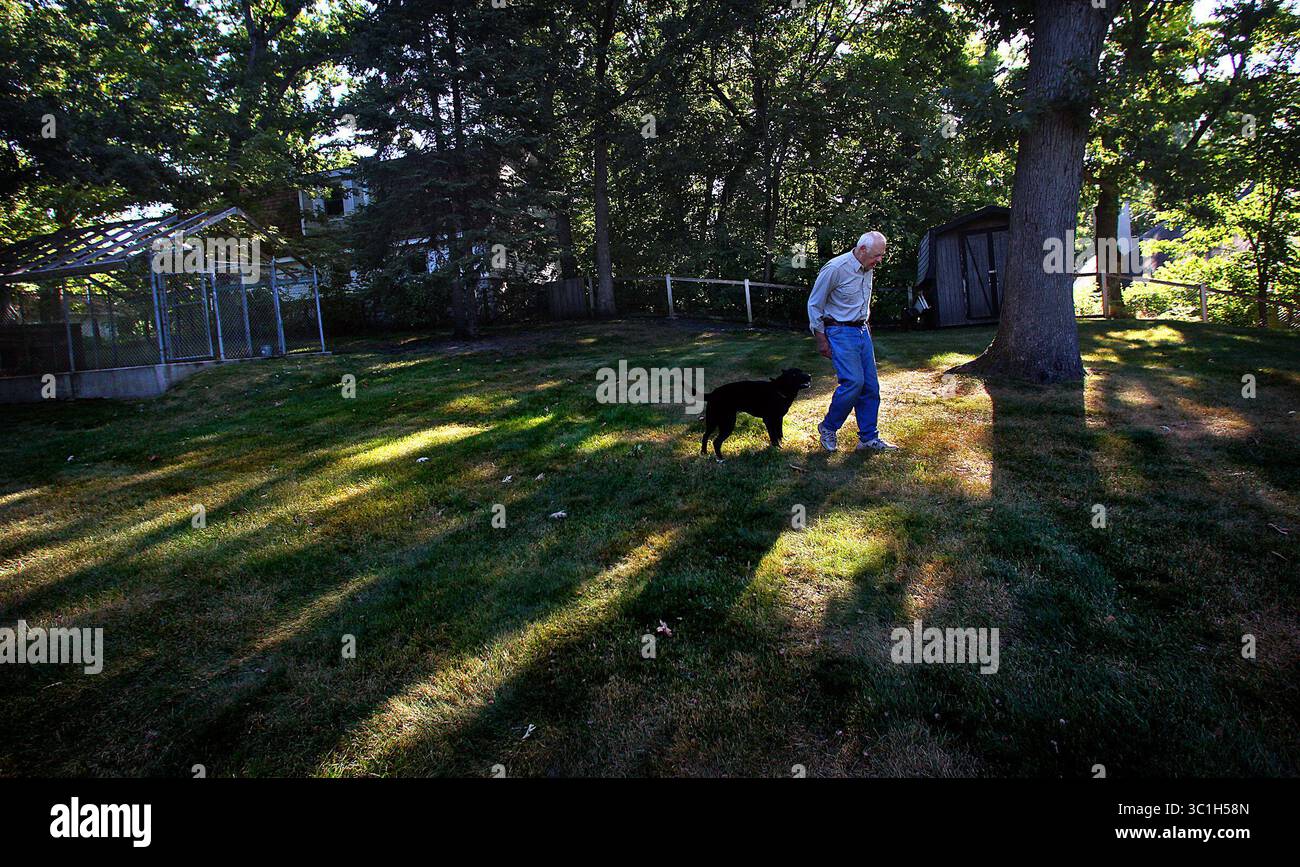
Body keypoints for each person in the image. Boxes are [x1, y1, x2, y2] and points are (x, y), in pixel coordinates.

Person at [807, 231, 898, 452]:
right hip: (839, 331)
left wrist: (866, 328)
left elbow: (861, 301)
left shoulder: (868, 267)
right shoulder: (835, 268)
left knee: (871, 387)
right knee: (853, 383)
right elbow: (814, 305)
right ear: (863, 249)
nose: (880, 260)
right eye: (877, 255)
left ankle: (868, 438)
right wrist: (821, 340)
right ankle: (828, 427)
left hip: (862, 331)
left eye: (882, 256)